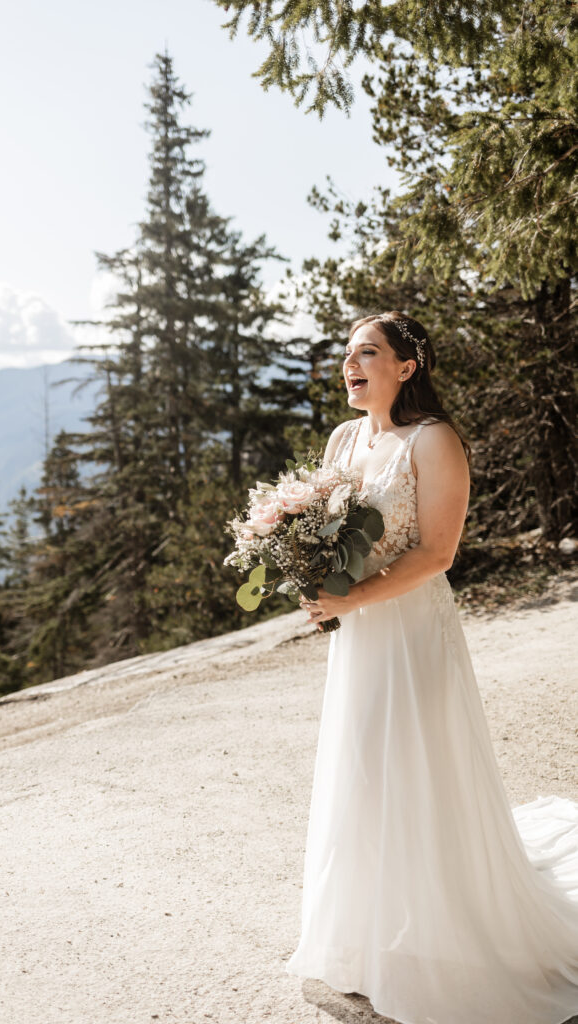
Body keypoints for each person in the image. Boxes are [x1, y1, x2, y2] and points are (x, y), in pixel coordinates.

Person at [285, 310, 578, 1024]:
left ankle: (450, 933)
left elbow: (438, 553)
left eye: (366, 353)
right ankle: (368, 932)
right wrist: (310, 584)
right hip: (359, 636)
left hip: (411, 628)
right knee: (361, 764)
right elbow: (320, 533)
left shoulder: (434, 439)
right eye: (346, 354)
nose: (349, 365)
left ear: (406, 366)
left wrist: (351, 597)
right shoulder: (343, 437)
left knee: (417, 764)